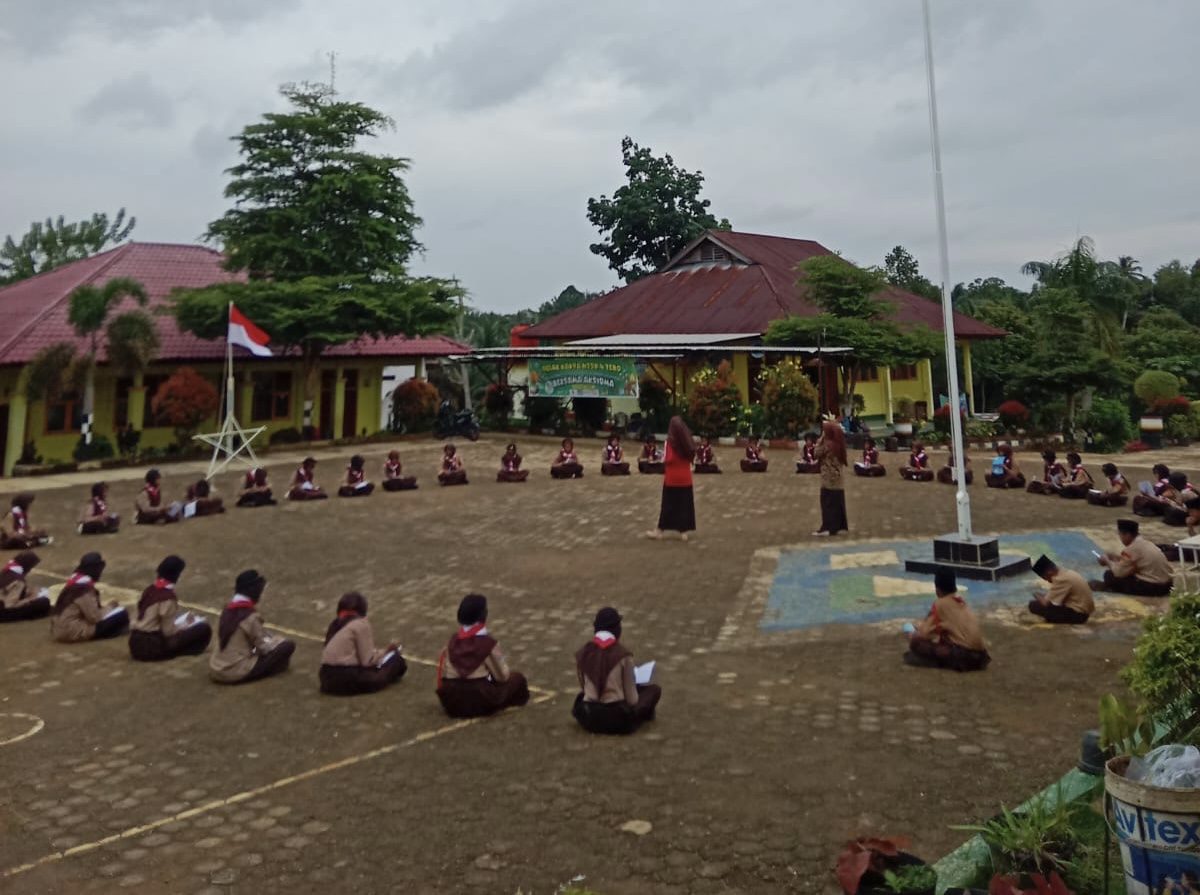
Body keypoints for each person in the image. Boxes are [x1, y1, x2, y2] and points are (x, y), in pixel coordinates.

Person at [435, 594, 530, 717]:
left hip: (452, 700)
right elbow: (502, 676)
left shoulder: (452, 642)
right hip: (478, 698)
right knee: (518, 680)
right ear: (483, 615)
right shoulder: (487, 644)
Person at [572, 607, 661, 736]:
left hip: (589, 716)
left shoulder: (584, 652)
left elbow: (585, 687)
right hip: (617, 719)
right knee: (653, 691)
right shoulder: (623, 655)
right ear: (616, 629)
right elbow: (632, 700)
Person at [209, 570, 296, 684]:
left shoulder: (226, 610)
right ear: (253, 591)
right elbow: (264, 647)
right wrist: (278, 640)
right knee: (287, 646)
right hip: (233, 671)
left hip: (216, 667)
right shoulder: (250, 617)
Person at [319, 591, 407, 696]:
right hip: (347, 677)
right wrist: (386, 652)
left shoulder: (334, 624)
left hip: (326, 678)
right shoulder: (361, 624)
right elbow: (367, 660)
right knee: (394, 662)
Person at [128, 555, 213, 661]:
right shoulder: (168, 598)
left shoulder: (148, 591)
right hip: (151, 648)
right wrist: (185, 624)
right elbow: (167, 632)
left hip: (134, 645)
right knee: (204, 628)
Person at [903, 568, 990, 671]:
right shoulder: (961, 602)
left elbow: (923, 634)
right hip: (981, 657)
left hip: (965, 657)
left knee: (916, 642)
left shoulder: (940, 604)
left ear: (937, 590)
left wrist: (911, 633)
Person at [50, 552, 128, 642]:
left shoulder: (73, 583)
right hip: (71, 632)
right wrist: (110, 607)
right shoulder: (84, 589)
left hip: (58, 630)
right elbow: (94, 617)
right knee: (122, 614)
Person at [1091, 519, 1174, 597]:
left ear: (1127, 535)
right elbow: (1134, 561)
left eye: (1120, 534)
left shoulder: (1132, 549)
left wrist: (1107, 561)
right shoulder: (1147, 543)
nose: (1120, 538)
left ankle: (1112, 588)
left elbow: (1119, 573)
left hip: (1155, 587)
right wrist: (1116, 558)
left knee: (1109, 575)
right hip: (1168, 585)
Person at [645, 415, 696, 541]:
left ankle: (660, 530)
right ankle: (683, 531)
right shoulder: (687, 442)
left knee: (668, 505)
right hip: (685, 478)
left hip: (672, 478)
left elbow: (668, 459)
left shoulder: (670, 442)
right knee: (684, 505)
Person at [1028, 555, 1094, 625]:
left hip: (1078, 615)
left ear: (1049, 573)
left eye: (1046, 578)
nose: (1048, 581)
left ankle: (1057, 619)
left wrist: (1036, 594)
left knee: (1034, 605)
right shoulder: (1066, 572)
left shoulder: (1060, 579)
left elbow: (1045, 603)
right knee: (1051, 603)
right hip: (1084, 612)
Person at [813, 420, 848, 537]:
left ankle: (828, 528)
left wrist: (821, 439)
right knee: (837, 503)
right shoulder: (838, 444)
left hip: (829, 479)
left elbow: (816, 452)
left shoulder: (828, 446)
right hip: (838, 479)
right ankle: (837, 527)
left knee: (828, 504)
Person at [0, 551, 51, 622]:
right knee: (44, 602)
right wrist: (29, 600)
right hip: (4, 613)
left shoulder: (4, 572)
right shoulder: (18, 581)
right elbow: (10, 605)